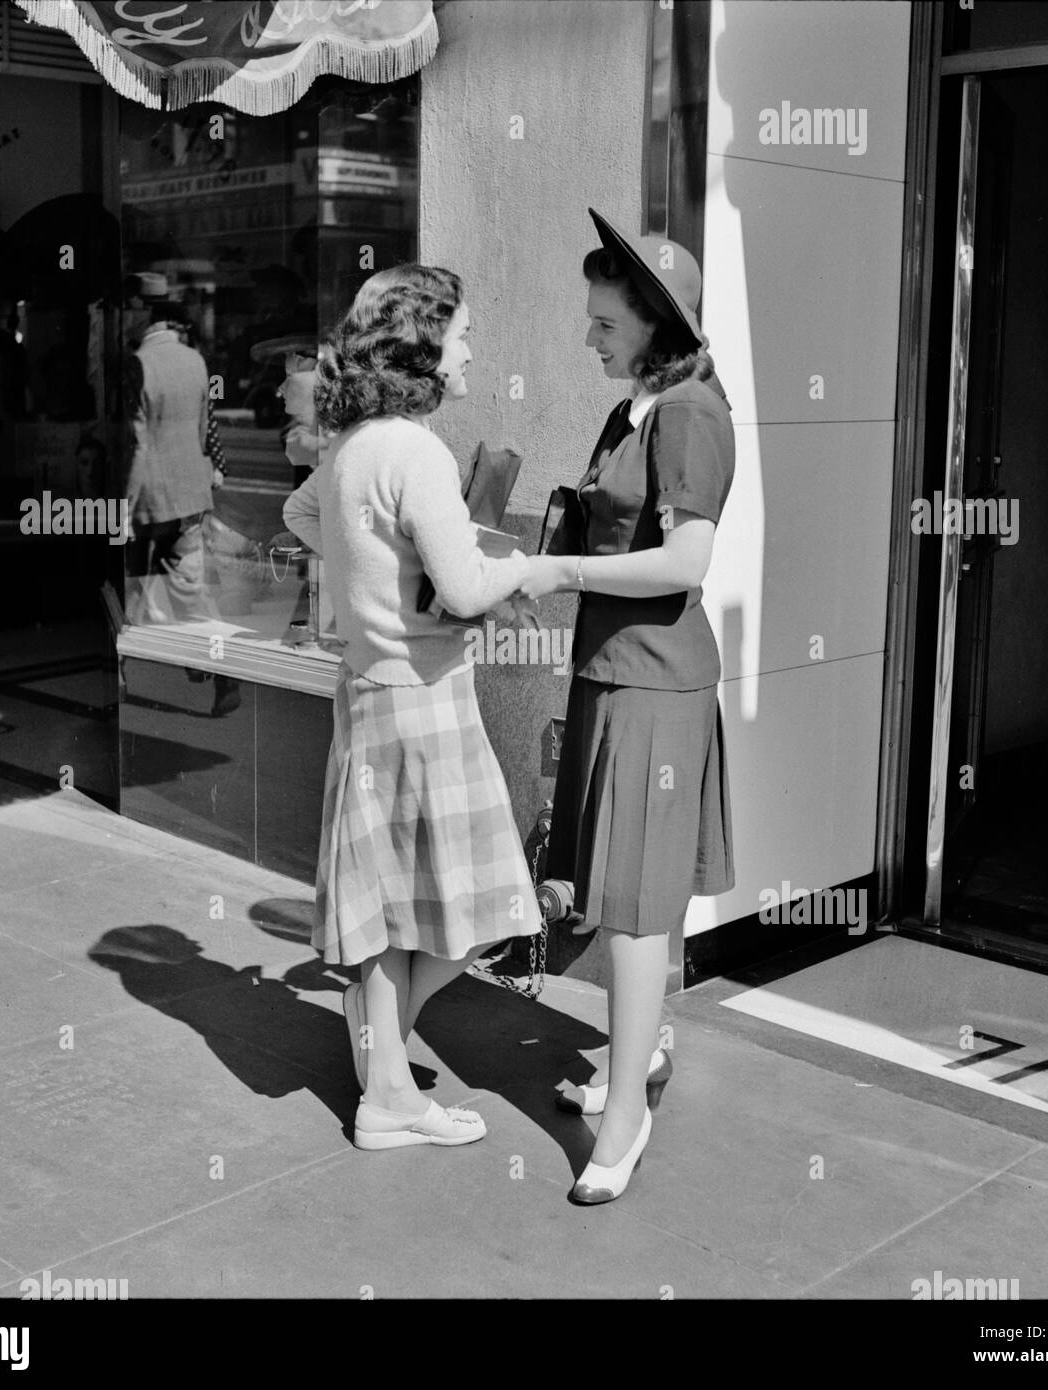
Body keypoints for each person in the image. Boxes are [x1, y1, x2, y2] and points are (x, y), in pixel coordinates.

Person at [282, 264, 540, 1151]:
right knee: (481, 908)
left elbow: (301, 513)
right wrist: (528, 571)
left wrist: (378, 578)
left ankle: (384, 1074)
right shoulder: (419, 451)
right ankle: (381, 1057)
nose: (471, 350)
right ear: (424, 345)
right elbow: (468, 588)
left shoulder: (350, 446)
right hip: (427, 701)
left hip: (367, 695)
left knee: (392, 909)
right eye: (463, 333)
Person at [516, 209, 736, 1205]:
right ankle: (634, 1054)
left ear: (654, 323)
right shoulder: (637, 409)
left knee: (639, 911)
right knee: (621, 895)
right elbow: (609, 521)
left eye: (603, 323)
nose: (589, 338)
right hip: (613, 674)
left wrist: (556, 566)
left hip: (653, 680)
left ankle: (624, 1119)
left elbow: (686, 560)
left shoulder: (690, 413)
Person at [125, 302, 240, 716]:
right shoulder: (195, 360)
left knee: (130, 587)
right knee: (189, 590)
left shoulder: (137, 364)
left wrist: (123, 505)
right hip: (190, 496)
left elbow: (137, 445)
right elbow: (203, 431)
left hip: (147, 503)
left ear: (146, 322)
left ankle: (117, 673)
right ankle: (223, 671)